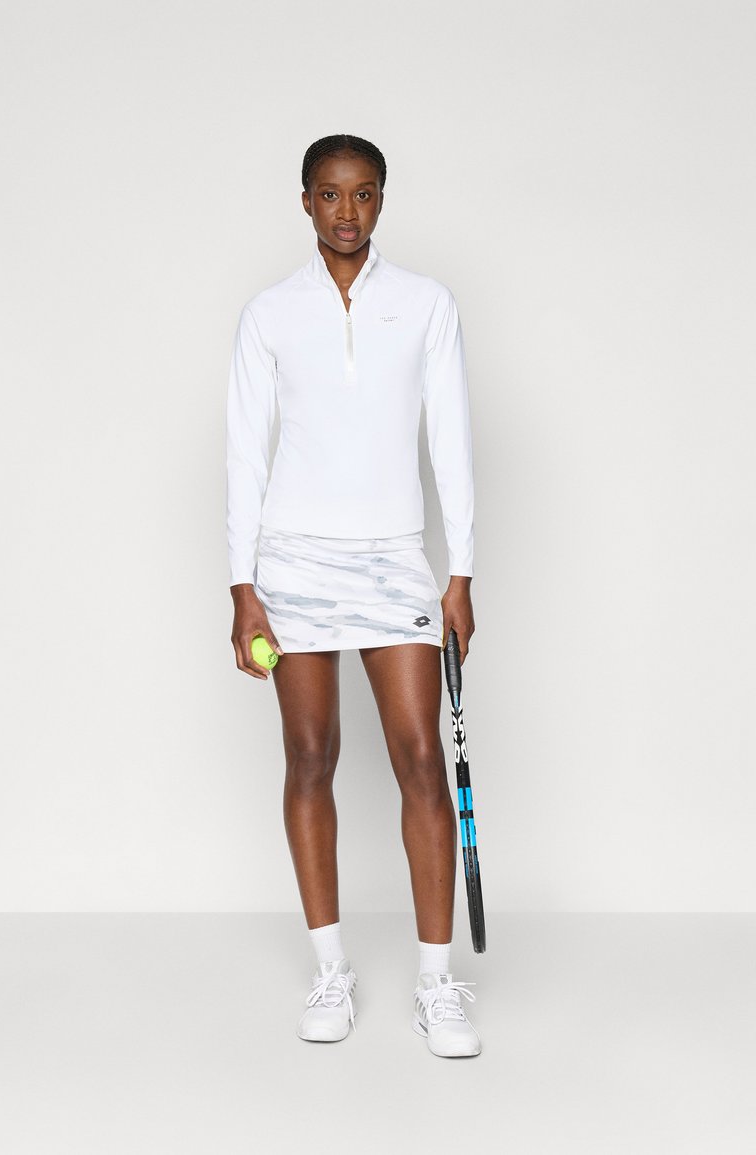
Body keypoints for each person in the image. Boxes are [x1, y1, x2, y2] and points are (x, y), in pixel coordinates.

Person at [226, 134, 479, 1058]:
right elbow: (245, 452)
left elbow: (451, 438)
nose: (347, 212)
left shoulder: (425, 304)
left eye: (364, 194)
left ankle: (437, 983)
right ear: (305, 201)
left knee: (421, 756)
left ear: (382, 201)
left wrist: (459, 571)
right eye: (330, 195)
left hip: (394, 558)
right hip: (292, 563)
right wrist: (244, 585)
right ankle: (330, 968)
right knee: (309, 755)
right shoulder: (269, 314)